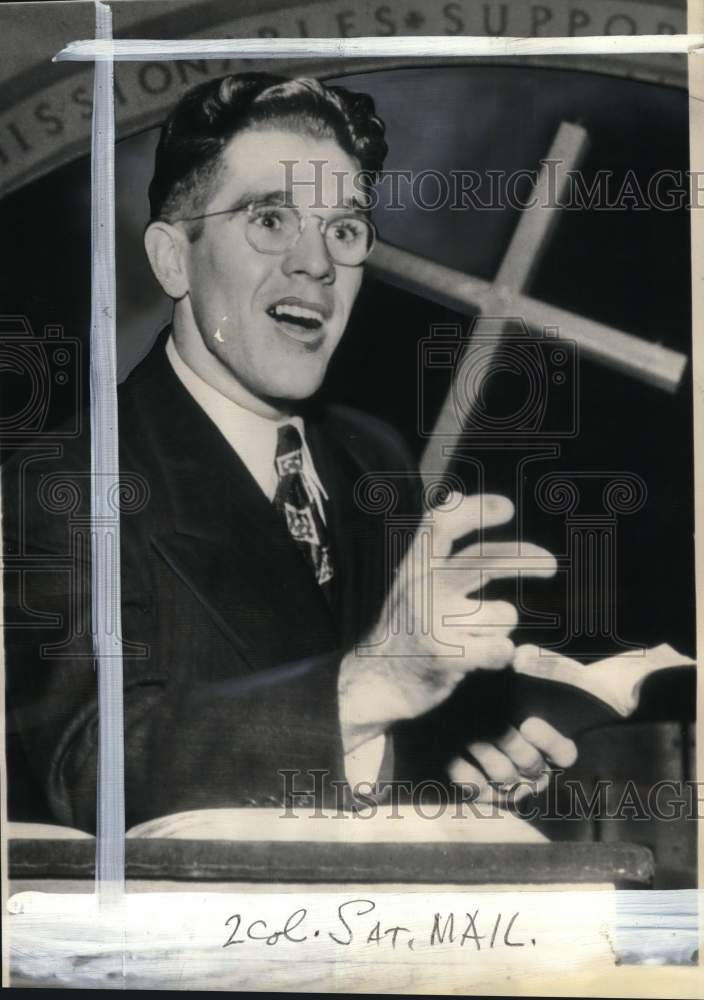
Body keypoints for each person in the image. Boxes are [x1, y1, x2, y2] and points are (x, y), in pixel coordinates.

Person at [3, 73, 576, 833]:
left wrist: (463, 771)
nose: (316, 263)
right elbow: (84, 768)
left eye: (343, 230)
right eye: (270, 218)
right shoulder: (64, 485)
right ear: (174, 259)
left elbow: (382, 751)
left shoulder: (374, 460)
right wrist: (368, 687)